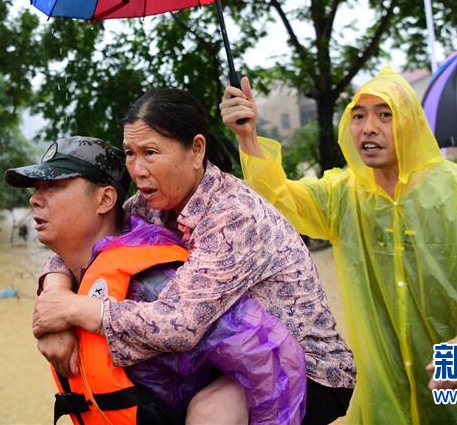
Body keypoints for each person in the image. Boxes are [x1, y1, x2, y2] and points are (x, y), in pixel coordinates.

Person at [220, 66, 457, 424]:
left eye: (385, 115)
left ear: (410, 123)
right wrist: (248, 139)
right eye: (358, 116)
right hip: (385, 400)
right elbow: (280, 200)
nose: (369, 128)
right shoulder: (344, 196)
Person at [32, 91, 356, 425]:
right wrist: (56, 294)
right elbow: (92, 237)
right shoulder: (150, 204)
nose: (138, 170)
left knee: (209, 410)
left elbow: (178, 326)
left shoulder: (231, 214)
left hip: (308, 368)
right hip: (232, 354)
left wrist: (72, 310)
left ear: (196, 149)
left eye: (151, 153)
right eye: (130, 153)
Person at [7, 135, 307, 424]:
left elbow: (268, 352)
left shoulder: (152, 283)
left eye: (53, 186)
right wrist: (53, 304)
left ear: (105, 200)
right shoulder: (73, 275)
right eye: (36, 188)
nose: (35, 199)